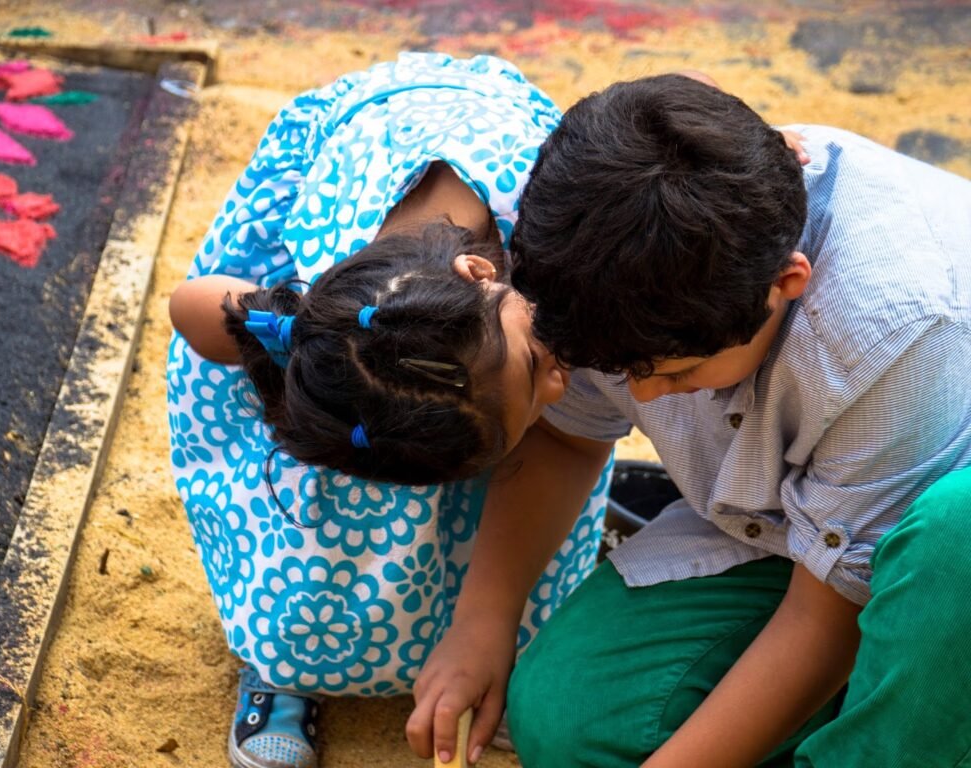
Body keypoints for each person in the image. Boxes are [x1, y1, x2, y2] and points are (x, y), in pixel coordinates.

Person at [413, 73, 971, 767]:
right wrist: (484, 621)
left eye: (676, 374)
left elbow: (824, 620)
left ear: (785, 285)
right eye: (625, 373)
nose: (644, 402)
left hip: (933, 560)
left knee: (957, 535)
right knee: (567, 718)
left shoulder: (897, 330)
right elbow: (568, 435)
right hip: (806, 533)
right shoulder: (593, 251)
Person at [166, 52, 613, 768]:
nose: (563, 384)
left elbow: (645, 134)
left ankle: (499, 644)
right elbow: (189, 308)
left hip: (465, 129)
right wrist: (274, 325)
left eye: (536, 372)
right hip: (342, 261)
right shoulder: (333, 285)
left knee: (521, 461)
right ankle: (286, 665)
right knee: (332, 505)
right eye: (539, 377)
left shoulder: (559, 231)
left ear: (484, 272)